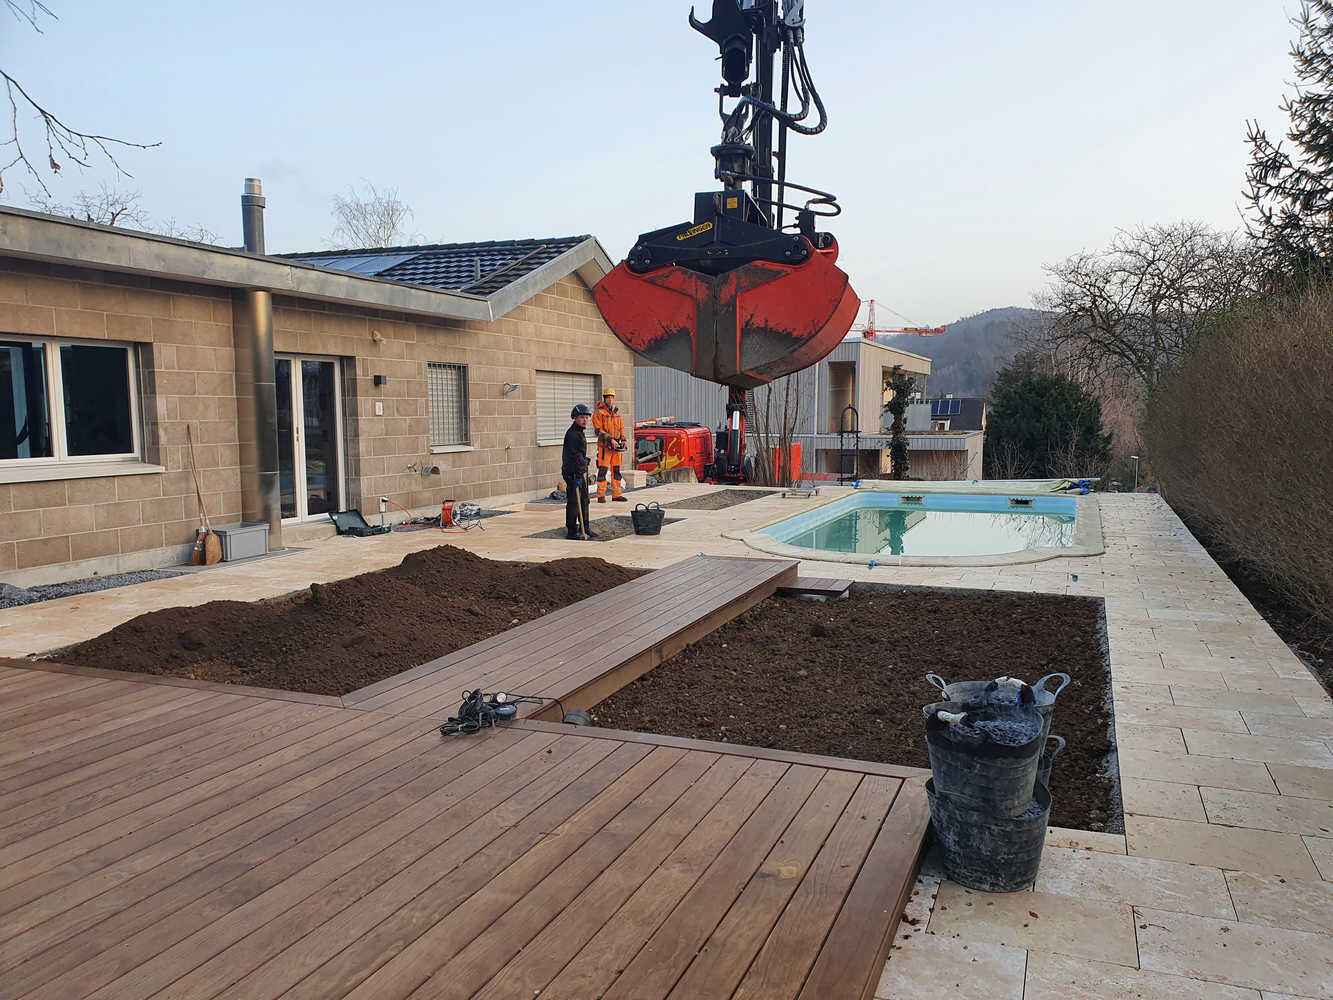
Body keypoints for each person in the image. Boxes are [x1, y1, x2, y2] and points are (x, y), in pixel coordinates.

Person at [562, 404, 596, 540]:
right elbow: (574, 456)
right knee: (574, 502)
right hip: (572, 472)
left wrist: (584, 463)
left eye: (586, 418)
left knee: (584, 500)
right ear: (575, 418)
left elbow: (580, 455)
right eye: (582, 417)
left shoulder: (580, 432)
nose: (585, 420)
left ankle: (585, 527)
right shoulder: (572, 435)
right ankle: (571, 531)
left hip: (579, 470)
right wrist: (577, 474)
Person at [593, 387, 628, 503]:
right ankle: (601, 495)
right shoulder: (599, 413)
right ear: (604, 399)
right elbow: (598, 431)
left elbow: (621, 428)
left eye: (612, 398)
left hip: (616, 447)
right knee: (602, 471)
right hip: (605, 447)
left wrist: (624, 440)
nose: (610, 400)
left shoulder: (616, 413)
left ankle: (617, 495)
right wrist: (610, 439)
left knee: (616, 471)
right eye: (608, 397)